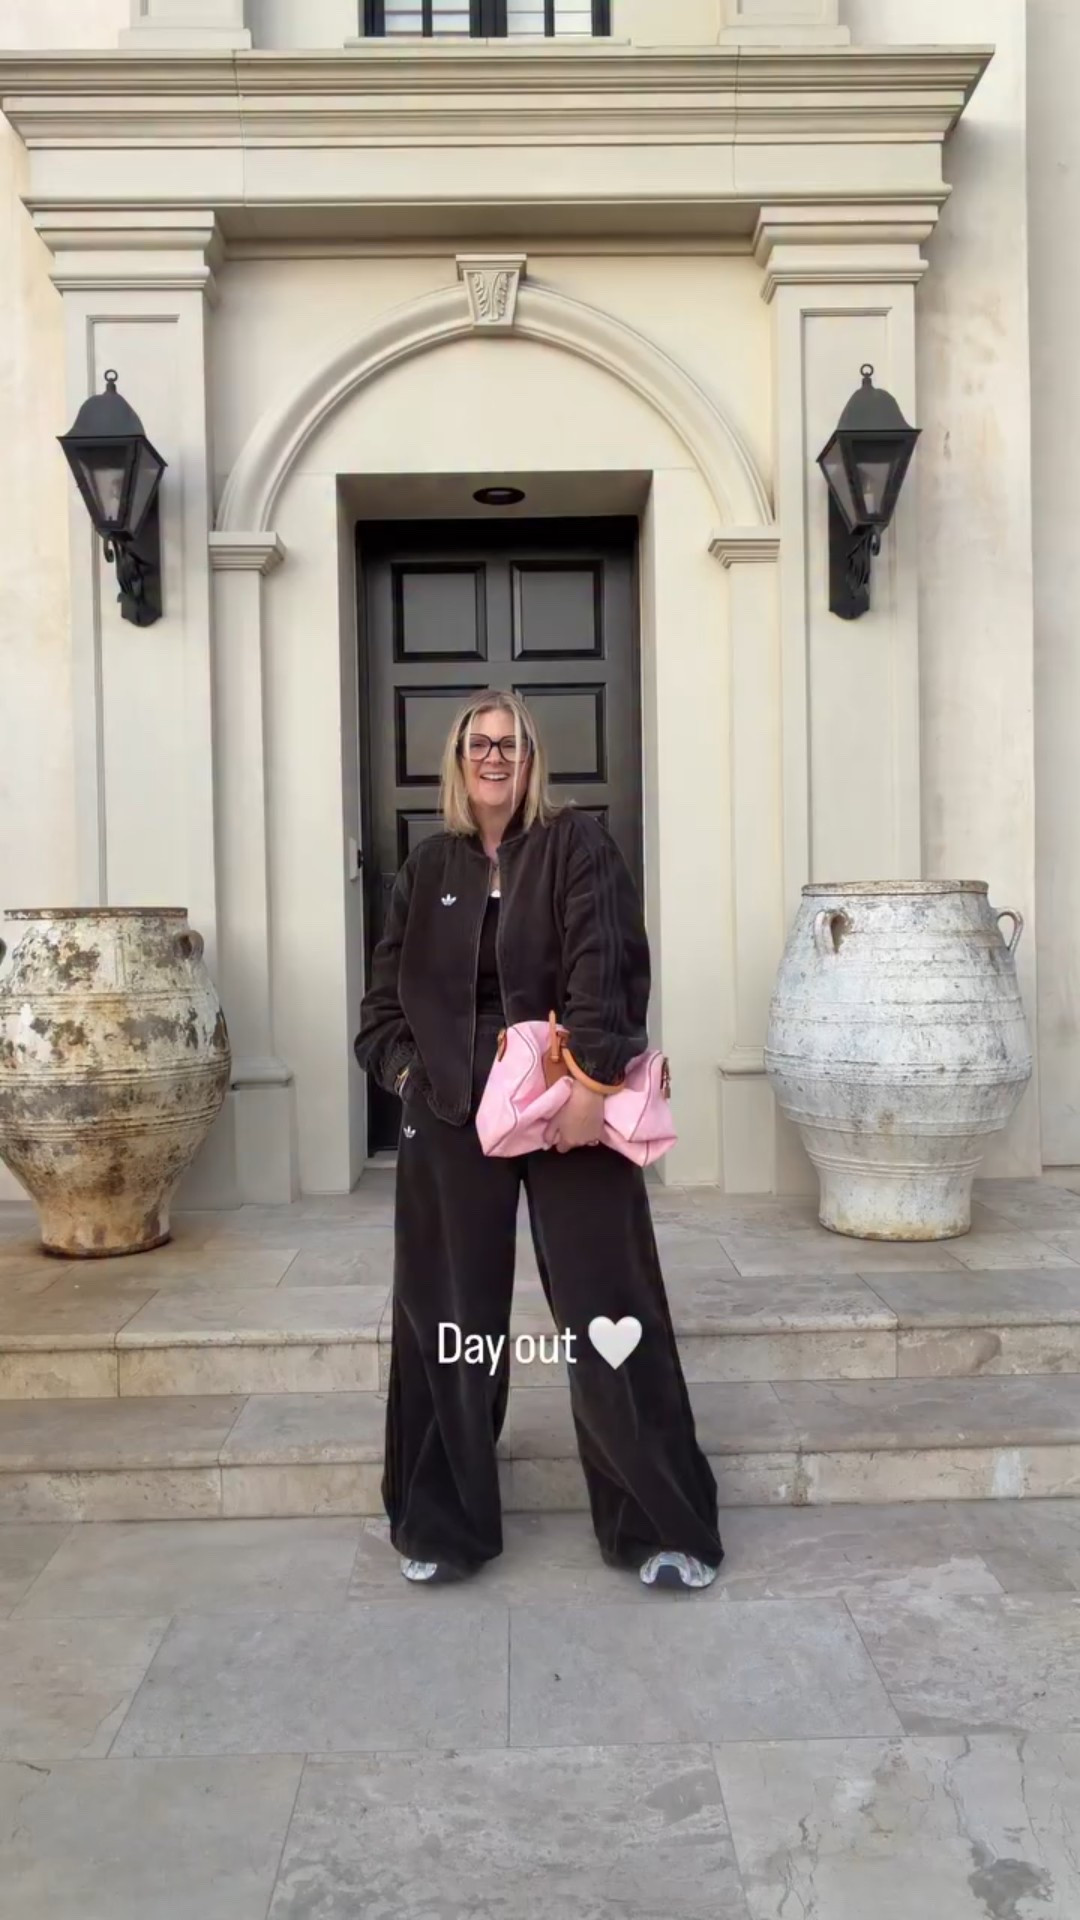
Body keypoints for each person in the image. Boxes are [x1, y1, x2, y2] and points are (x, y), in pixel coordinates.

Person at [354, 689, 724, 1592]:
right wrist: (413, 1078)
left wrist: (593, 1088)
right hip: (451, 1116)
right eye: (478, 743)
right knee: (448, 1319)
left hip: (572, 1110)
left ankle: (660, 1520)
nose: (493, 757)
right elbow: (382, 1010)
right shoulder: (426, 867)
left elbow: (609, 964)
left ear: (531, 759)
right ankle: (442, 1520)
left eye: (509, 743)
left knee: (611, 1303)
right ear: (457, 759)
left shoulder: (577, 844)